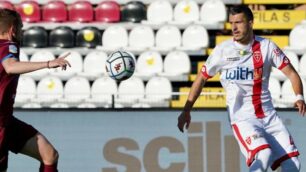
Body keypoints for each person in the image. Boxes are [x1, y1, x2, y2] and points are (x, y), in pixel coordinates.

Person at [177, 5, 305, 172]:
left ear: (250, 23)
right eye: (231, 23)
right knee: (263, 154)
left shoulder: (267, 47)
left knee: (294, 164)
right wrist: (186, 110)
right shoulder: (222, 51)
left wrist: (299, 97)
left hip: (269, 116)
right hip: (242, 117)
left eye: (239, 22)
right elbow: (201, 78)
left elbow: (292, 74)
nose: (234, 28)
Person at [0, 9, 71, 172]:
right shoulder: (8, 45)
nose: (21, 33)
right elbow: (10, 67)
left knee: (49, 155)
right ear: (12, 30)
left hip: (7, 121)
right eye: (20, 29)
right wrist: (48, 63)